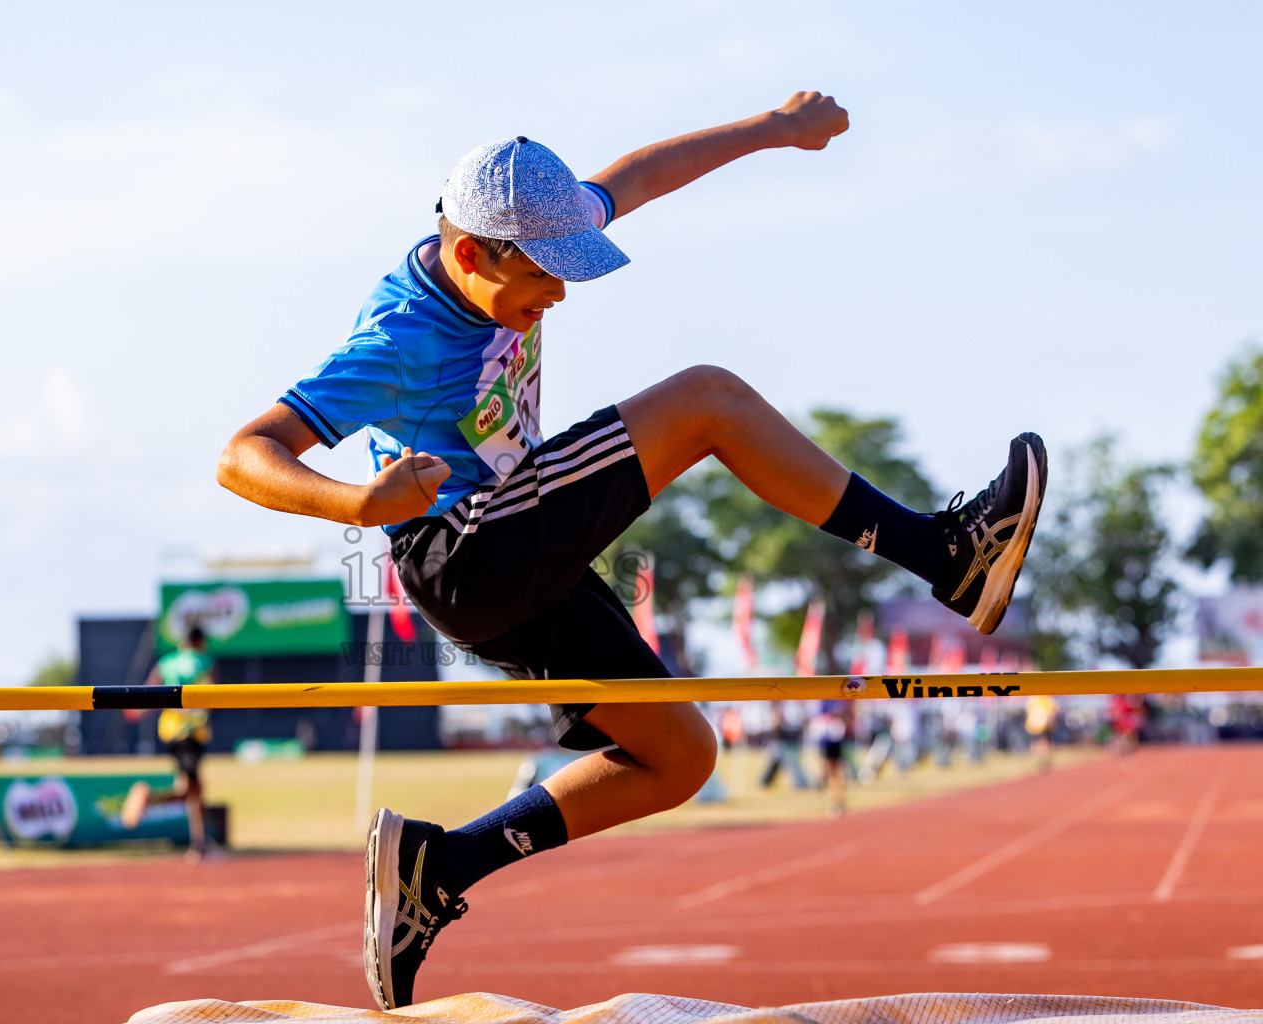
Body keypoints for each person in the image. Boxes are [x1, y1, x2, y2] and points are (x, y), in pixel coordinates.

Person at [216, 92, 1048, 1009]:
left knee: (679, 754)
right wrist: (356, 500)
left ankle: (440, 866)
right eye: (542, 275)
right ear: (469, 254)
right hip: (468, 546)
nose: (558, 294)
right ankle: (945, 555)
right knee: (706, 401)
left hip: (524, 560)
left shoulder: (512, 238)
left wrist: (774, 129)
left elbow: (640, 176)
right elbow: (244, 454)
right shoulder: (401, 338)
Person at [120, 625, 218, 861]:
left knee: (195, 788)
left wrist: (139, 711)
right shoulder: (204, 660)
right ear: (200, 642)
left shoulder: (167, 661)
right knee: (190, 789)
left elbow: (149, 692)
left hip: (170, 730)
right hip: (191, 731)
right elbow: (215, 691)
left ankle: (199, 845)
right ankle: (150, 798)